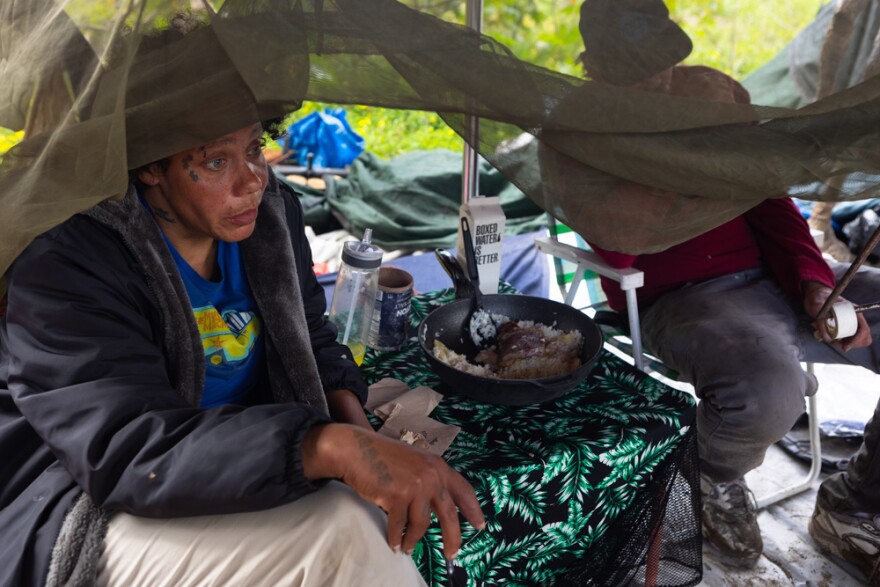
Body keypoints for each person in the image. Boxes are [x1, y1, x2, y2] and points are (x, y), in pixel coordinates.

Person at [0, 24, 485, 585]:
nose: (252, 180)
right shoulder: (70, 262)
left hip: (228, 463)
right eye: (214, 162)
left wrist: (365, 438)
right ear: (151, 165)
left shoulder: (268, 223)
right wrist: (329, 446)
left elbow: (310, 336)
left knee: (367, 520)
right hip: (90, 502)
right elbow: (127, 448)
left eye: (254, 146)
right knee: (342, 531)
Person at [566, 0, 880, 580]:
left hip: (771, 275)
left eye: (664, 64)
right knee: (768, 389)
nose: (659, 80)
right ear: (598, 67)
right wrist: (679, 144)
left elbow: (771, 202)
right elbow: (619, 244)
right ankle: (711, 474)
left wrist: (812, 282)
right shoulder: (575, 127)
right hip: (689, 297)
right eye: (640, 72)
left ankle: (859, 496)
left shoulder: (708, 92)